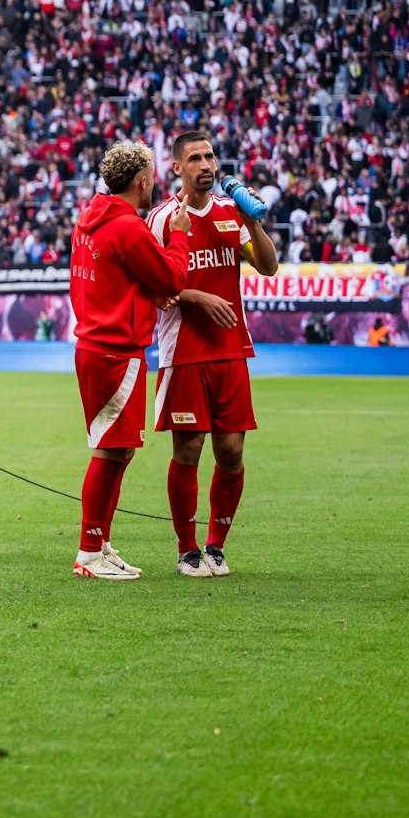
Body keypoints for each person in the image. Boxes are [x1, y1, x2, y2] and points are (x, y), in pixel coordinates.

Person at [148, 132, 279, 579]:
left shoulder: (229, 213)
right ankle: (187, 551)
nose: (206, 164)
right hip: (183, 350)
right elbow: (153, 285)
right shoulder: (164, 218)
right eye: (195, 158)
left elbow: (267, 266)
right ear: (178, 168)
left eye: (210, 157)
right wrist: (197, 298)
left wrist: (253, 220)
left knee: (231, 452)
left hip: (230, 350)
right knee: (188, 450)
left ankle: (216, 546)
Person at [66, 139, 189, 581]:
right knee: (109, 452)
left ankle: (98, 543)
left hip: (96, 344)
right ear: (141, 181)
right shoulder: (128, 229)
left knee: (118, 452)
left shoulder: (89, 220)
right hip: (116, 350)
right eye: (152, 174)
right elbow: (172, 276)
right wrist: (177, 237)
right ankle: (88, 553)